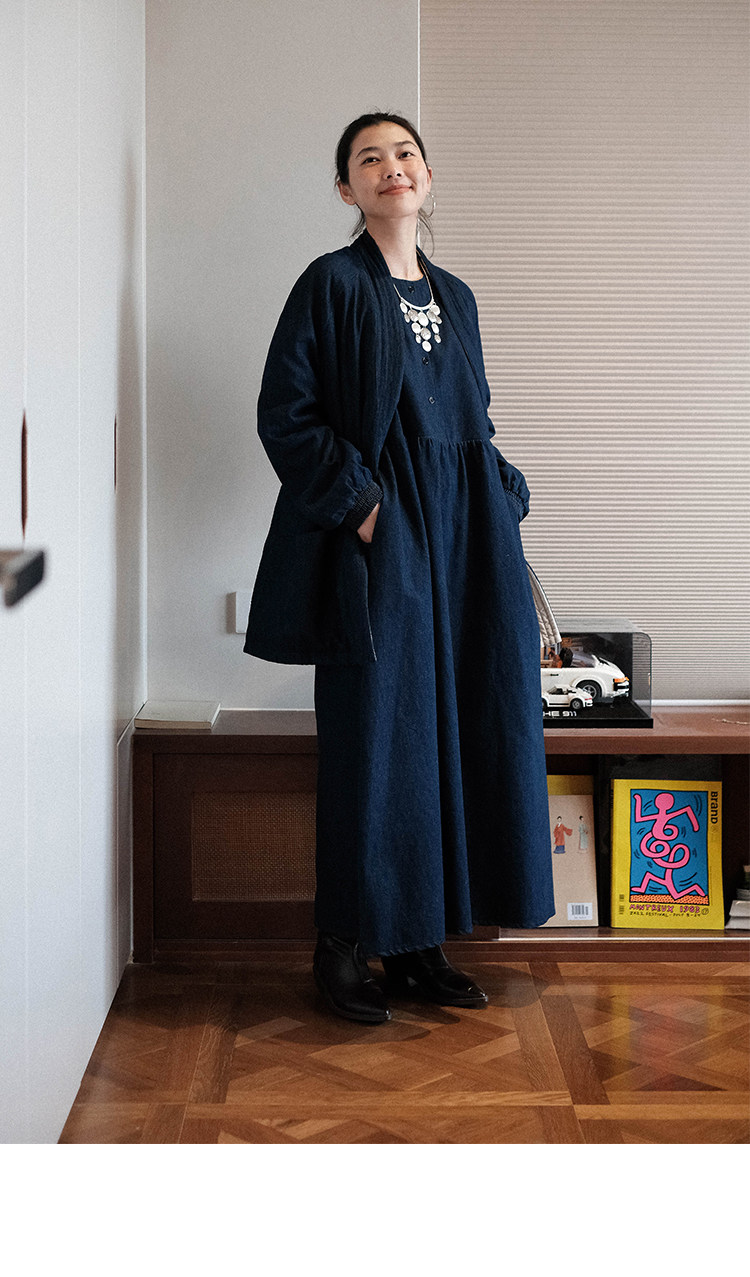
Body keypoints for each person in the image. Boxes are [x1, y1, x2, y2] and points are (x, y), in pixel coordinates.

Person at [245, 112, 555, 1023]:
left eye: (406, 153)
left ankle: (422, 942)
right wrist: (366, 507)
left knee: (460, 733)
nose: (392, 167)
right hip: (385, 546)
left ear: (427, 174)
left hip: (471, 547)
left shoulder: (457, 296)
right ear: (347, 188)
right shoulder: (331, 283)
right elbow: (286, 414)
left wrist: (504, 493)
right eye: (369, 158)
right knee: (378, 742)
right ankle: (343, 944)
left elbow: (474, 419)